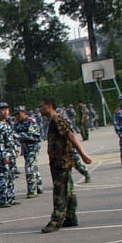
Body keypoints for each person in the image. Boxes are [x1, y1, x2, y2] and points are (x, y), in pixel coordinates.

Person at [39, 97, 94, 233]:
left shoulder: (57, 119)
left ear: (49, 106)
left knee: (60, 191)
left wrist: (83, 155)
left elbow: (70, 135)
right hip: (60, 161)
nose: (40, 109)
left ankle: (56, 220)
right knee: (68, 190)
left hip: (61, 162)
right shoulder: (54, 120)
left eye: (42, 106)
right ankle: (70, 217)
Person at [0, 102, 20, 208]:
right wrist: (4, 155)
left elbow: (11, 138)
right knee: (3, 177)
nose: (5, 112)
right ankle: (3, 199)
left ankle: (11, 197)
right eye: (2, 110)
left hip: (10, 152)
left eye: (7, 109)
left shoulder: (8, 123)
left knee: (11, 176)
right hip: (2, 155)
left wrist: (15, 149)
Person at [13, 105, 43, 198]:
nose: (17, 116)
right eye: (16, 114)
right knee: (33, 166)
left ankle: (32, 190)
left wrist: (18, 136)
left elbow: (31, 135)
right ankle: (39, 185)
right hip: (25, 147)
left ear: (24, 113)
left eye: (19, 114)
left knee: (29, 167)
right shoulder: (17, 124)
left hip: (33, 146)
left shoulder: (31, 122)